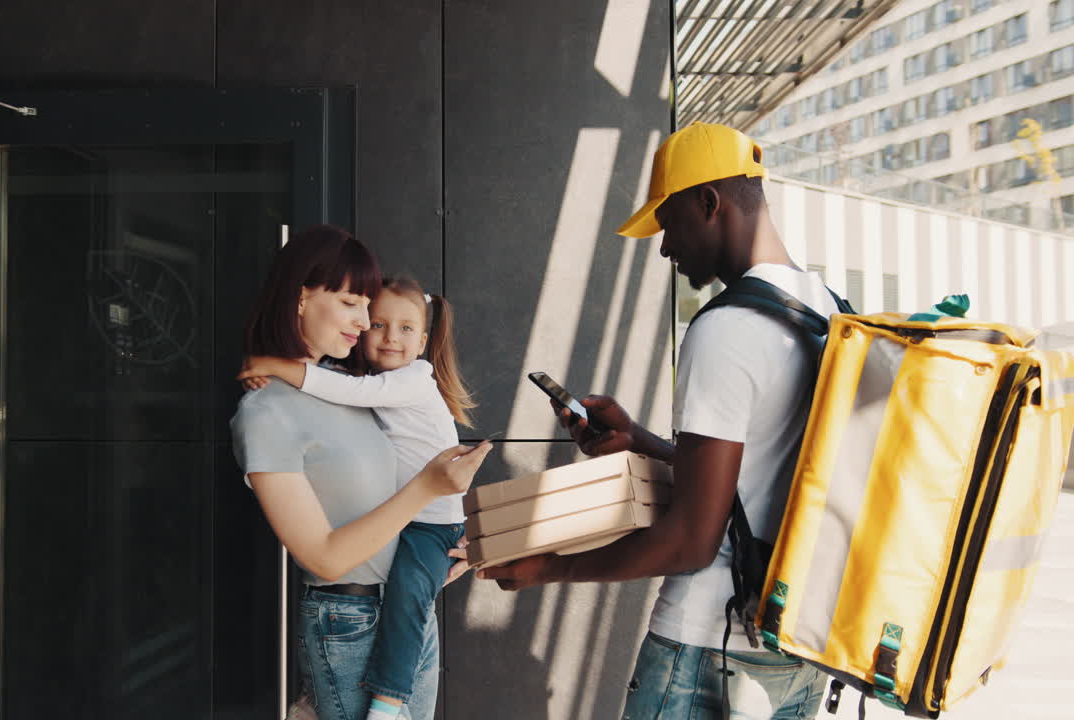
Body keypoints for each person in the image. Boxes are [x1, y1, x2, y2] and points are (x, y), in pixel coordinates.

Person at [477, 122, 834, 719]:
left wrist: (550, 567)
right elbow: (764, 477)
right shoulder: (829, 310)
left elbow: (691, 541)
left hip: (707, 648)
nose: (666, 248)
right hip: (794, 648)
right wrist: (639, 441)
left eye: (669, 224)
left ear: (709, 203)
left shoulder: (726, 329)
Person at [230, 226, 492, 720]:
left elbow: (390, 493)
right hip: (348, 623)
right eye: (352, 303)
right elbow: (325, 559)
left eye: (366, 306)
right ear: (301, 298)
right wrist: (427, 490)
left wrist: (437, 557)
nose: (366, 321)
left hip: (406, 613)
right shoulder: (265, 411)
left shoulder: (351, 385)